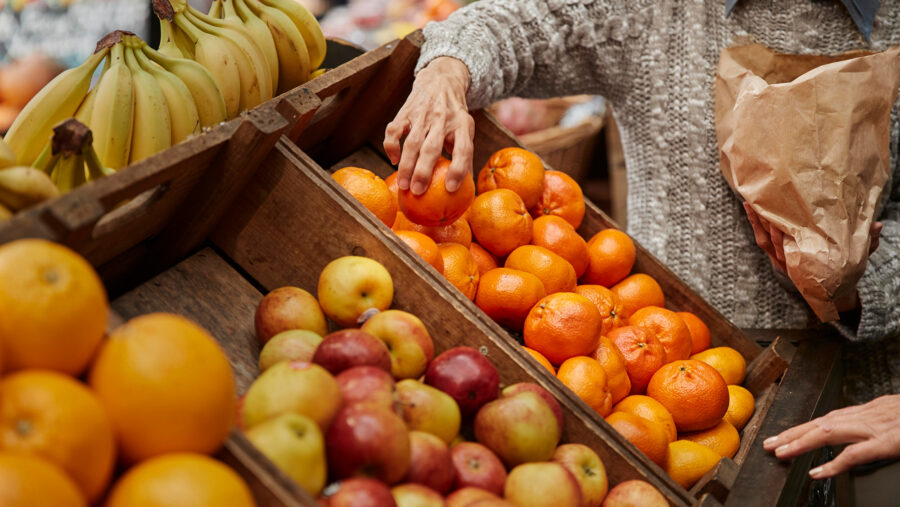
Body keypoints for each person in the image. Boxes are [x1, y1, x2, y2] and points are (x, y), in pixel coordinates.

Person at [383, 0, 900, 478]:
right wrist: (447, 73)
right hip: (656, 373)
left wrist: (857, 288)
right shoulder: (656, 8)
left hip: (866, 413)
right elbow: (515, 24)